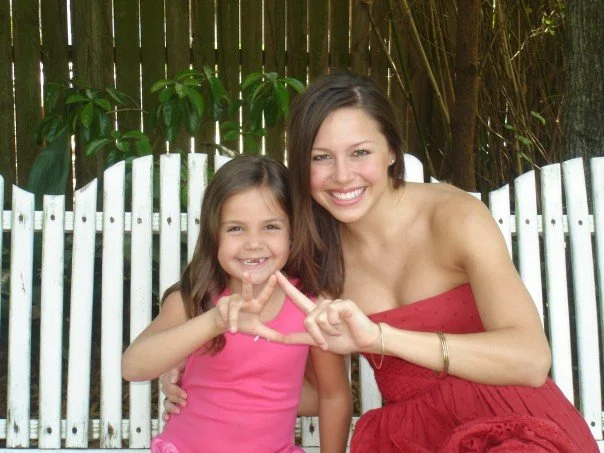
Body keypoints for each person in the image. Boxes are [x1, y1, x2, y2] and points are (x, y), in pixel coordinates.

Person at [161, 73, 599, 452]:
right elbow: (294, 375)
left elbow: (530, 359)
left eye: (360, 152)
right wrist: (192, 365)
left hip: (510, 419)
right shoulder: (314, 254)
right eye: (321, 157)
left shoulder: (454, 218)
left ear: (392, 151)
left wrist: (382, 338)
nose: (342, 175)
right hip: (412, 435)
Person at [122, 155, 351, 453]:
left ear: (293, 232)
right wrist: (213, 322)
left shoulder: (310, 306)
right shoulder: (195, 300)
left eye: (271, 226)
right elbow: (133, 367)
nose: (253, 243)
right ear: (213, 234)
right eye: (235, 228)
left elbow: (332, 396)